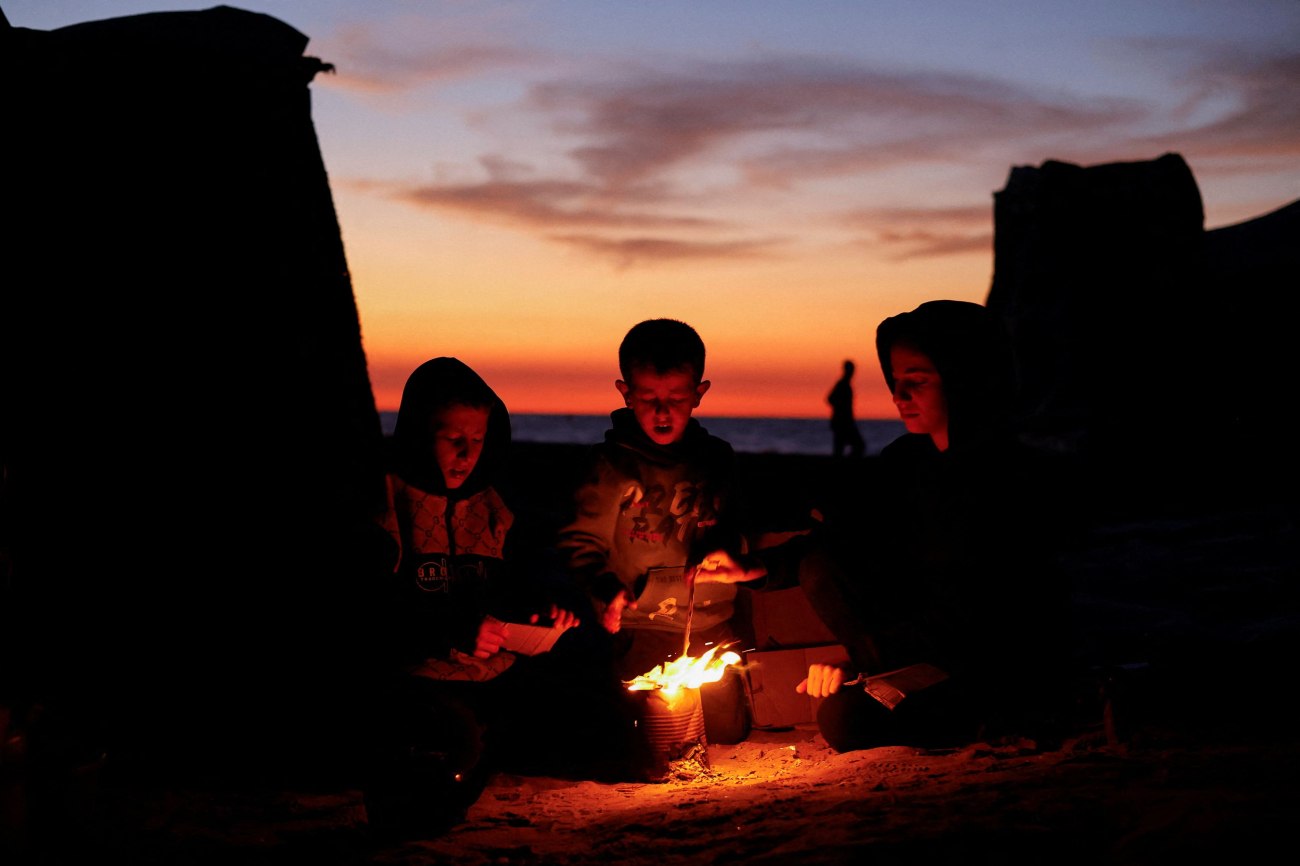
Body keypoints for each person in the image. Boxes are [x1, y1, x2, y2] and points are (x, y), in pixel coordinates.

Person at [695, 300, 1074, 752]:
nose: (899, 396)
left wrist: (866, 663)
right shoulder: (906, 462)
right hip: (914, 655)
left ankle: (991, 714)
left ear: (965, 377)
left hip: (988, 661)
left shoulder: (1008, 478)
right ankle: (889, 686)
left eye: (917, 381)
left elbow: (989, 611)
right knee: (821, 565)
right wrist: (750, 567)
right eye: (896, 381)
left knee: (845, 719)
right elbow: (842, 541)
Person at [362, 357, 640, 839]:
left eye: (477, 439)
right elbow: (364, 611)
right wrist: (451, 631)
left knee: (608, 728)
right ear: (418, 432)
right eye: (453, 438)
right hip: (419, 679)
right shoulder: (385, 504)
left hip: (499, 676)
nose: (466, 453)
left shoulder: (496, 506)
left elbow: (513, 583)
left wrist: (537, 612)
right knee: (446, 756)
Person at [555, 318, 753, 746]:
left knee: (727, 732)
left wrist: (726, 549)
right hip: (642, 627)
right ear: (626, 393)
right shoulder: (611, 466)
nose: (663, 412)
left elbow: (735, 525)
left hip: (711, 623)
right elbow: (579, 543)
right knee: (652, 731)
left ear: (699, 393)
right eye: (648, 399)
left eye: (676, 399)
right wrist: (604, 587)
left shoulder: (717, 459)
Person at [827, 359, 865, 458]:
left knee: (841, 448)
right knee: (857, 445)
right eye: (851, 370)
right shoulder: (842, 384)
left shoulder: (845, 385)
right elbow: (830, 399)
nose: (852, 373)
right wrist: (841, 409)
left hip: (845, 421)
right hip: (842, 421)